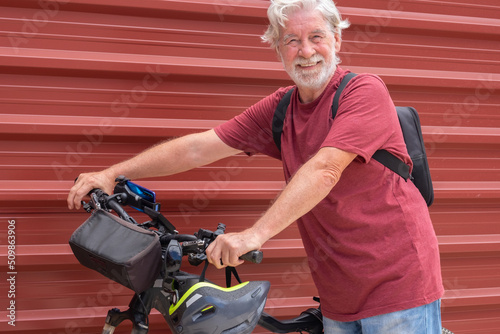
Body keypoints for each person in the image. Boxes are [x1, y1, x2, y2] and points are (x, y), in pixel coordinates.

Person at [68, 0, 444, 332]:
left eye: (316, 36)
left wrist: (255, 234)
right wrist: (114, 173)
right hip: (339, 291)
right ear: (278, 50)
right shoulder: (282, 107)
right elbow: (201, 148)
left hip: (399, 282)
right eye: (292, 41)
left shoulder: (364, 91)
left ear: (337, 41)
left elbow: (325, 168)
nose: (306, 51)